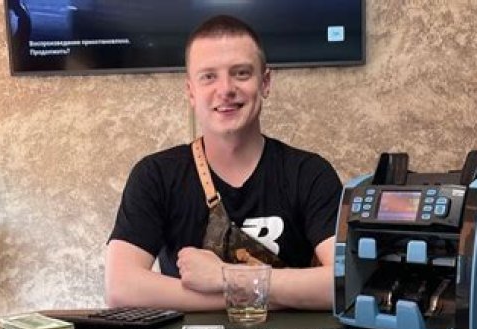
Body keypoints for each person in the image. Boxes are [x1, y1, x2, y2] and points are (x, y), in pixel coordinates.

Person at [105, 15, 342, 311]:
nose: (226, 89)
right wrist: (262, 295)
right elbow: (120, 288)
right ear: (191, 91)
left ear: (265, 82)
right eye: (208, 77)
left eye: (241, 73)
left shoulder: (309, 173)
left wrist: (224, 276)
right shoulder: (155, 175)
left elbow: (344, 284)